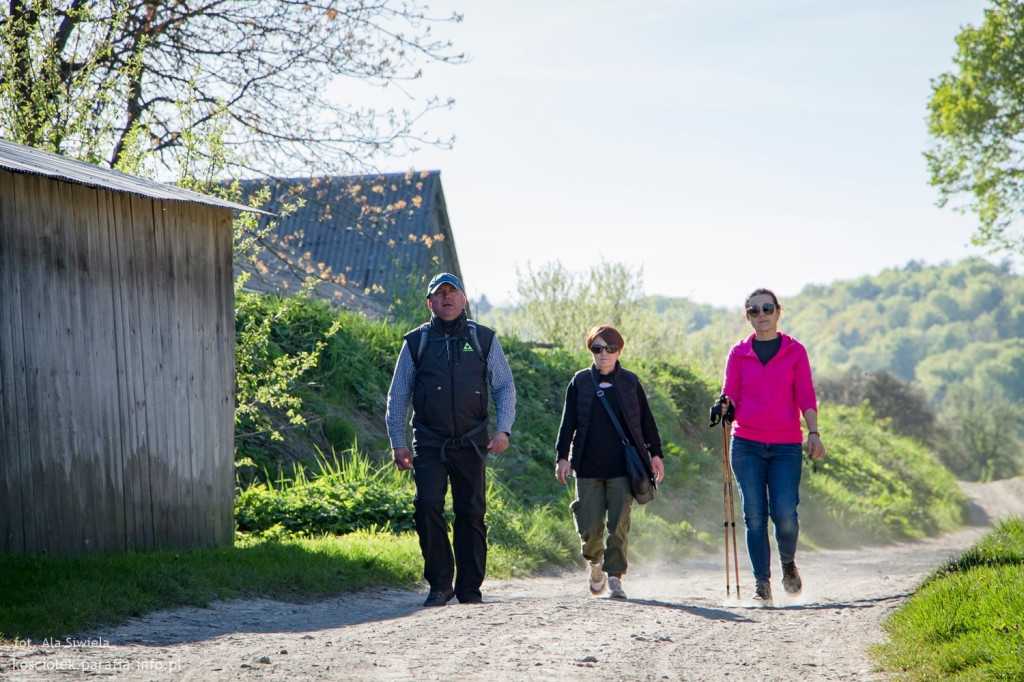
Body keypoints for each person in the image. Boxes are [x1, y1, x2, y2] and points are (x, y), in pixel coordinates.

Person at [386, 272, 517, 607]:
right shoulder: (417, 342)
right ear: (430, 302)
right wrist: (397, 441)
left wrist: (503, 429)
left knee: (470, 512)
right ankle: (440, 584)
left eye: (452, 292)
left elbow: (503, 387)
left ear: (464, 299)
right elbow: (399, 394)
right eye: (439, 294)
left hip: (472, 443)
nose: (446, 298)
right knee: (427, 506)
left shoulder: (483, 339)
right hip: (429, 443)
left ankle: (470, 589)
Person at [717, 288, 826, 605]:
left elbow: (805, 394)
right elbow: (730, 392)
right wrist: (723, 405)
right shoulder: (739, 353)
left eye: (767, 309)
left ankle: (788, 563)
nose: (761, 315)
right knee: (754, 516)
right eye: (754, 311)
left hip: (786, 445)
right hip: (746, 443)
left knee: (785, 514)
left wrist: (814, 432)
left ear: (778, 312)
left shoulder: (795, 351)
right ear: (747, 316)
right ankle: (761, 584)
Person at [554, 324, 665, 600]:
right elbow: (567, 423)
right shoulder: (579, 382)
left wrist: (656, 454)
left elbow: (646, 422)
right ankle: (595, 564)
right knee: (590, 527)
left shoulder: (630, 382)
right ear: (590, 350)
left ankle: (615, 577)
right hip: (588, 468)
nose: (604, 353)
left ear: (619, 350)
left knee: (619, 526)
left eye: (610, 348)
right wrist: (562, 457)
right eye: (598, 348)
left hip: (623, 469)